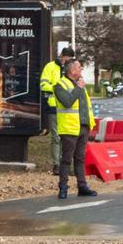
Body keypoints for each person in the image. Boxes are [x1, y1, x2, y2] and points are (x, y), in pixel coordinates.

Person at [51, 59, 98, 201]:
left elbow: (84, 106)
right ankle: (63, 188)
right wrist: (78, 88)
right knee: (66, 160)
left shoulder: (81, 84)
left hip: (83, 126)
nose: (82, 69)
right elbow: (67, 102)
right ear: (72, 70)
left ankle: (82, 187)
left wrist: (89, 124)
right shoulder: (60, 85)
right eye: (79, 67)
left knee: (80, 158)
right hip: (69, 128)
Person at [39, 46, 76, 174]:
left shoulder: (70, 68)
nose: (69, 62)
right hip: (53, 106)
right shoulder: (50, 67)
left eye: (71, 60)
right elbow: (43, 84)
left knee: (67, 138)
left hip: (68, 107)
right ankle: (56, 165)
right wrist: (57, 89)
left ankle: (65, 164)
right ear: (62, 56)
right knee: (56, 137)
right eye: (68, 59)